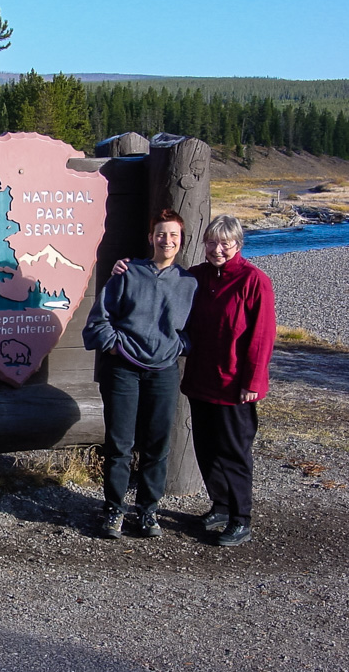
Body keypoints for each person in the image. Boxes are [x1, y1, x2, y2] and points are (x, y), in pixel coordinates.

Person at [112, 214, 276, 547]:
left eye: (225, 243)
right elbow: (161, 283)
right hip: (201, 379)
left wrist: (253, 382)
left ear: (238, 244)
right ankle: (220, 505)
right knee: (205, 447)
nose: (218, 249)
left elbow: (262, 336)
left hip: (234, 384)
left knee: (234, 451)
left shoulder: (254, 281)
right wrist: (124, 267)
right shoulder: (197, 277)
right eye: (212, 242)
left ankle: (240, 518)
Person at [82, 209, 198, 539]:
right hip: (123, 371)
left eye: (173, 235)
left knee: (157, 444)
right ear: (151, 238)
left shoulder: (188, 283)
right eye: (161, 234)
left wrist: (179, 346)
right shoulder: (127, 273)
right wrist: (116, 347)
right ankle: (114, 510)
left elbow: (195, 331)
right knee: (119, 443)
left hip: (163, 372)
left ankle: (148, 511)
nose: (167, 240)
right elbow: (97, 322)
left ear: (181, 240)